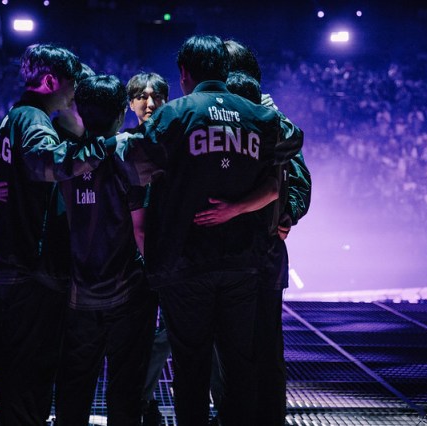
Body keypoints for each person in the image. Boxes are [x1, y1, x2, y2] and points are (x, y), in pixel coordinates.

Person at [113, 34, 302, 426]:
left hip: (185, 265)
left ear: (184, 73)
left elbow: (133, 163)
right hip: (243, 266)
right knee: (239, 363)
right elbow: (292, 142)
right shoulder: (259, 115)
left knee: (191, 365)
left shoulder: (174, 113)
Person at [200, 41, 312, 426]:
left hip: (259, 256)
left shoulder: (269, 118)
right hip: (229, 255)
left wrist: (287, 216)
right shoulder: (229, 115)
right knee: (232, 350)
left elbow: (298, 181)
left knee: (261, 348)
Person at [0, 43, 81, 425]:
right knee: (35, 371)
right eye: (70, 83)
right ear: (51, 80)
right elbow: (47, 165)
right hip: (33, 266)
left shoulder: (10, 118)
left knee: (16, 367)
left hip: (11, 260)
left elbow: (1, 182)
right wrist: (101, 150)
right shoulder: (35, 121)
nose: (73, 92)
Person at [53, 74, 158, 425]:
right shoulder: (129, 153)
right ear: (120, 114)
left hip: (79, 295)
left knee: (73, 388)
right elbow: (141, 230)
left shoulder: (64, 159)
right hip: (127, 295)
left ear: (80, 111)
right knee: (125, 391)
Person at [123, 71, 172, 425]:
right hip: (136, 259)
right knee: (139, 336)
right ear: (130, 103)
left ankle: (140, 397)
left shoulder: (178, 141)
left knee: (172, 332)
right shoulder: (124, 143)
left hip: (174, 257)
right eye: (141, 96)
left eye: (156, 96)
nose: (149, 102)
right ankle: (141, 400)